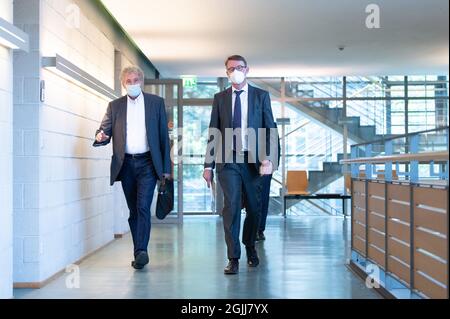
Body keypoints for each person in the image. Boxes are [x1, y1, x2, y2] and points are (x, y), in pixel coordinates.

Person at [203, 55, 279, 274]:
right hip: (228, 161)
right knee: (232, 207)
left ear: (247, 70)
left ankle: (250, 246)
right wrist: (208, 165)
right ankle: (233, 257)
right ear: (226, 72)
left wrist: (270, 159)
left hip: (253, 162)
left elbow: (270, 129)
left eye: (238, 67)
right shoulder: (220, 98)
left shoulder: (260, 96)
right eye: (230, 69)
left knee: (255, 210)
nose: (234, 71)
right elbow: (213, 132)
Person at [93, 66, 171, 270]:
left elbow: (164, 137)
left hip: (147, 163)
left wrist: (166, 168)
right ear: (123, 84)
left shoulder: (156, 103)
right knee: (133, 210)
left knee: (143, 206)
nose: (133, 83)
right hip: (125, 164)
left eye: (137, 80)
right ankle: (139, 252)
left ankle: (141, 251)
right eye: (129, 81)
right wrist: (100, 136)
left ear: (142, 82)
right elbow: (105, 129)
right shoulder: (115, 106)